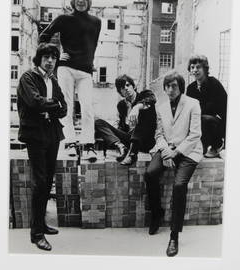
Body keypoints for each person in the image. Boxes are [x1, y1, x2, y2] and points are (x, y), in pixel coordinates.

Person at [39, 0, 101, 162]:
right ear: (73, 1)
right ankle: (70, 143)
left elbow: (93, 45)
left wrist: (90, 61)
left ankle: (88, 145)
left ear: (89, 1)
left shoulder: (96, 22)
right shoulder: (63, 19)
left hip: (85, 71)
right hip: (66, 68)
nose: (81, 1)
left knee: (87, 107)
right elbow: (44, 36)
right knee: (66, 106)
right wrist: (56, 57)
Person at [145, 70, 203, 257]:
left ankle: (174, 235)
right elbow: (159, 134)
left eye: (174, 86)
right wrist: (165, 152)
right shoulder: (160, 106)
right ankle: (156, 214)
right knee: (150, 173)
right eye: (167, 86)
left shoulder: (193, 104)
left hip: (188, 150)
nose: (170, 89)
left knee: (179, 185)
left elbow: (195, 135)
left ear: (181, 87)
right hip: (167, 149)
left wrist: (175, 152)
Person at [17, 43, 67, 251]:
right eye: (46, 57)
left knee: (47, 182)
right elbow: (34, 102)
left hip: (52, 134)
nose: (50, 61)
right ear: (39, 59)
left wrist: (51, 107)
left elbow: (64, 107)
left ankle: (41, 224)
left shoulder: (53, 80)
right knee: (39, 182)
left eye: (53, 58)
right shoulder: (28, 78)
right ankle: (36, 234)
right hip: (35, 135)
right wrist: (52, 105)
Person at [95, 74, 157, 165]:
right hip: (130, 140)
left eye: (128, 85)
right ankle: (121, 147)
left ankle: (132, 155)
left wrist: (137, 108)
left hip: (146, 141)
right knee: (98, 122)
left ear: (133, 86)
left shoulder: (144, 95)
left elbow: (152, 99)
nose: (126, 89)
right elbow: (122, 127)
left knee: (145, 111)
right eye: (123, 88)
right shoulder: (121, 105)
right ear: (120, 92)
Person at [186, 55, 227, 158]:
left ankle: (217, 145)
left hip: (217, 123)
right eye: (192, 67)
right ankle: (200, 147)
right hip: (199, 124)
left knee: (203, 118)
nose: (195, 70)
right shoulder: (191, 88)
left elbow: (225, 110)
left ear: (205, 69)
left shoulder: (214, 84)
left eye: (198, 67)